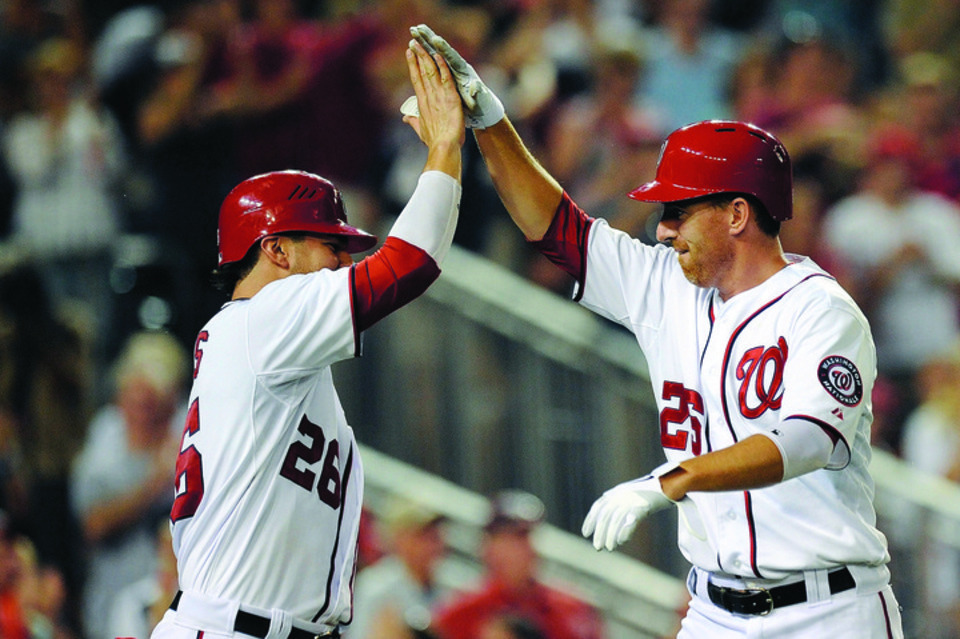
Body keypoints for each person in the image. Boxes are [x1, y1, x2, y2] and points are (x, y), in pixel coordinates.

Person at [408, 24, 904, 638]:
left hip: (827, 611)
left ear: (738, 214)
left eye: (679, 211)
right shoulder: (666, 284)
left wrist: (671, 480)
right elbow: (558, 229)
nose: (663, 229)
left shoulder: (821, 312)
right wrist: (491, 123)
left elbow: (803, 442)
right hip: (714, 609)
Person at [149, 37, 465, 639]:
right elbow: (411, 262)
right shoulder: (263, 320)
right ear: (274, 249)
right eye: (330, 246)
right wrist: (445, 149)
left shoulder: (265, 346)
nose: (343, 261)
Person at [70, 330, 190, 639]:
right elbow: (93, 524)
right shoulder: (107, 434)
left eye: (153, 401)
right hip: (114, 597)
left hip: (180, 599)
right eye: (134, 396)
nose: (141, 410)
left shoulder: (187, 430)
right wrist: (153, 485)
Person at [430, 490, 605, 639]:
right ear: (488, 548)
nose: (525, 547)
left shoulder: (572, 607)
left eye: (527, 535)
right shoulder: (461, 613)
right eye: (513, 537)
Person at [350, 497, 452, 638]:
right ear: (399, 537)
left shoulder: (448, 591)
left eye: (435, 535)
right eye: (422, 535)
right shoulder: (375, 586)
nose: (431, 544)